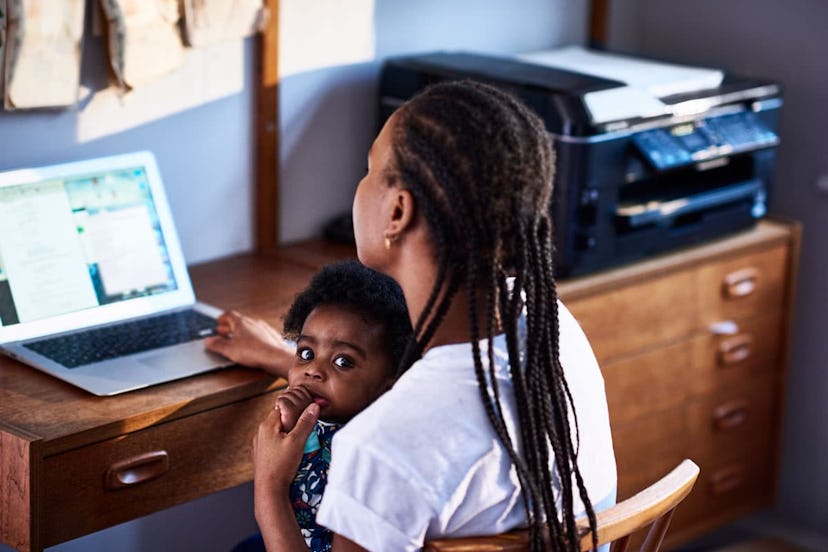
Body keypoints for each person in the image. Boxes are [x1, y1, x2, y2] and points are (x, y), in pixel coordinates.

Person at [209, 79, 616, 552]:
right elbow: (429, 392)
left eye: (368, 169)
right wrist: (290, 361)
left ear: (398, 211)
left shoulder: (381, 449)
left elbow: (416, 423)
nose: (357, 188)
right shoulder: (551, 326)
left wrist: (269, 492)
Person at [211, 260, 413, 552]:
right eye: (305, 352)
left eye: (343, 361)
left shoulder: (371, 459)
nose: (312, 371)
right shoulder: (318, 412)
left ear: (388, 386)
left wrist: (270, 483)